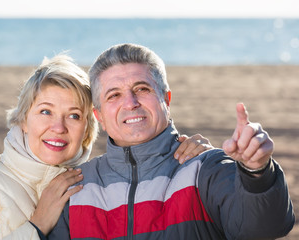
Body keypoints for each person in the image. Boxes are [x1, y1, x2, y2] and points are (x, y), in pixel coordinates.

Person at [43, 44, 295, 239]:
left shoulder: (205, 167)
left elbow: (262, 228)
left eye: (142, 89)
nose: (130, 103)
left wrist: (257, 171)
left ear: (166, 99)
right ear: (99, 116)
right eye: (114, 95)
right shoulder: (77, 188)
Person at [0, 54, 212, 239]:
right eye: (45, 112)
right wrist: (37, 225)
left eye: (74, 115)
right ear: (23, 120)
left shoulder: (93, 184)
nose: (59, 127)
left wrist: (183, 150)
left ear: (88, 128)